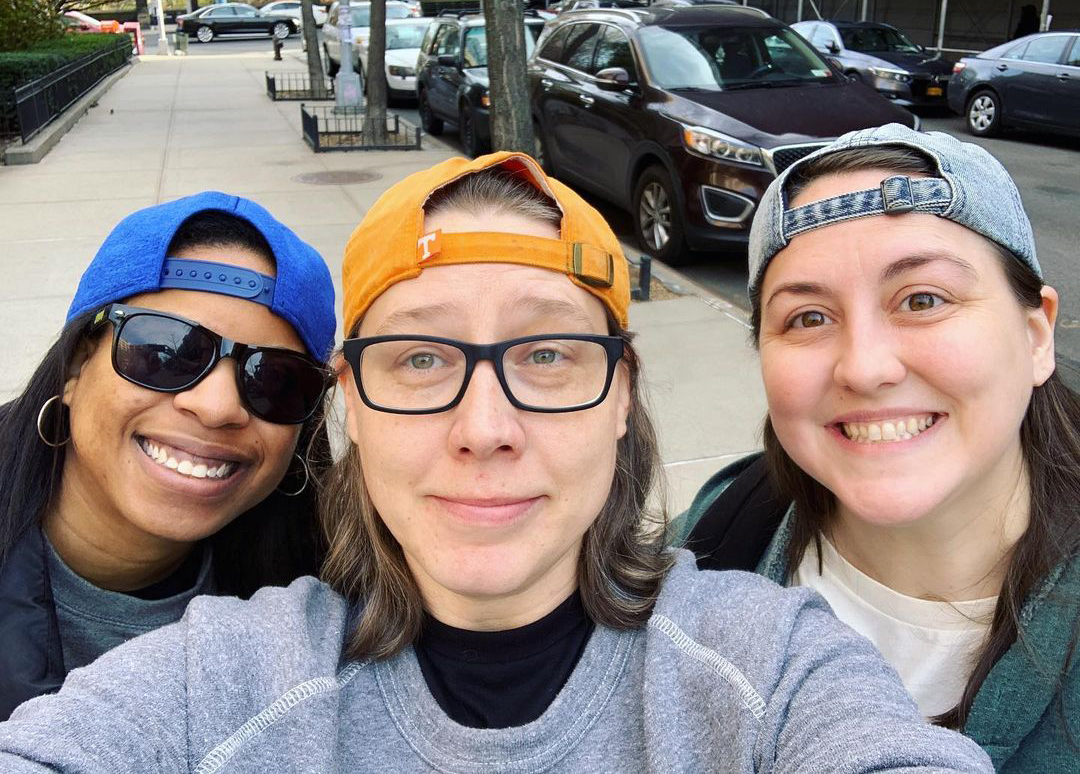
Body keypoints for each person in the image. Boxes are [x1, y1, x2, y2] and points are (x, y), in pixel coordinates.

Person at [0, 154, 991, 772]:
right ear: (350, 403)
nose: (485, 425)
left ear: (622, 399)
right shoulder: (225, 675)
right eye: (421, 357)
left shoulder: (769, 669)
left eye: (549, 355)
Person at [679, 124, 1079, 770]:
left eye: (923, 299)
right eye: (808, 317)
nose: (864, 369)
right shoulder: (712, 541)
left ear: (1036, 337)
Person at [0, 192, 335, 720]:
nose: (217, 407)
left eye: (274, 379)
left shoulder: (331, 596)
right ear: (75, 367)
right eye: (167, 350)